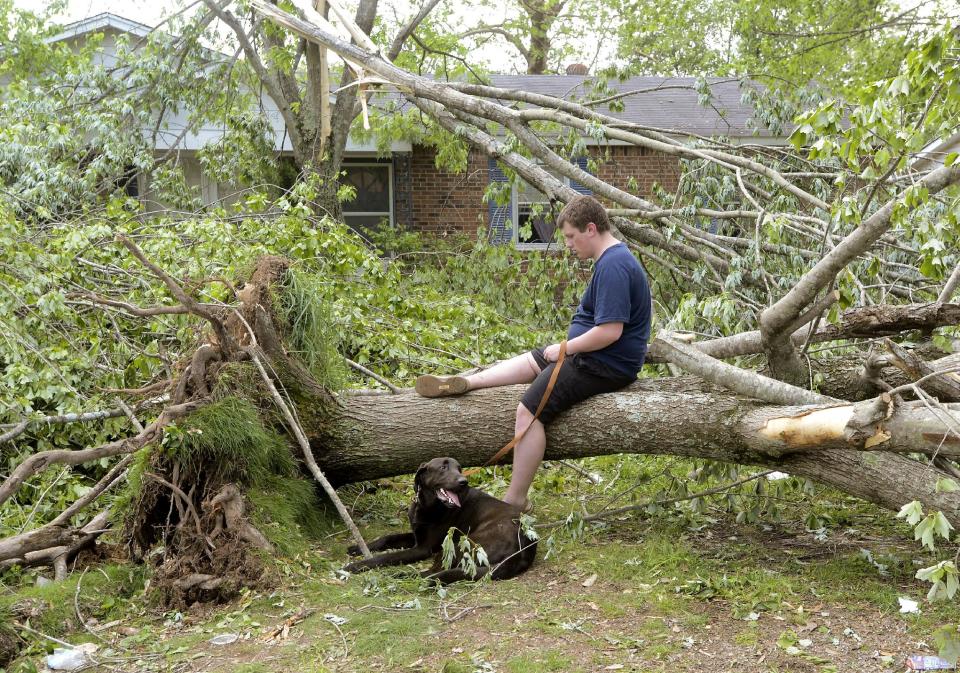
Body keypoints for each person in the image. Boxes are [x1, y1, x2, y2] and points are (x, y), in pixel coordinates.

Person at [415, 195, 652, 512]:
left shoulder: (614, 266)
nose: (568, 244)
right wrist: (562, 350)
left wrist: (566, 348)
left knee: (528, 411)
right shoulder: (613, 260)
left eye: (570, 236)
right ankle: (470, 382)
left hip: (603, 365)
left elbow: (610, 332)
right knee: (535, 358)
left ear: (591, 229)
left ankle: (515, 502)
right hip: (591, 355)